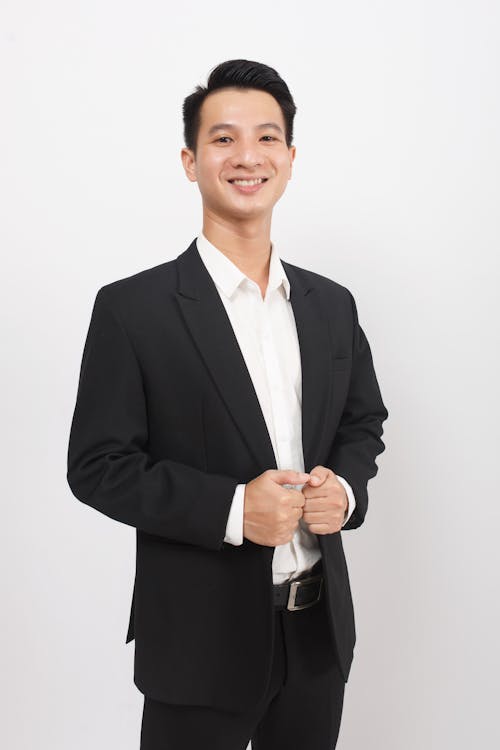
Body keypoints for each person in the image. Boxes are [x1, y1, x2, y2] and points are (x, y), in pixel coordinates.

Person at [67, 59, 389, 750]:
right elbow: (98, 466)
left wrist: (347, 489)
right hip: (196, 642)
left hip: (316, 636)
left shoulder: (331, 305)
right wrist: (236, 510)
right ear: (190, 160)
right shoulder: (133, 309)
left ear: (291, 158)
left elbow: (363, 422)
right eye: (223, 139)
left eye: (267, 138)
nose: (248, 156)